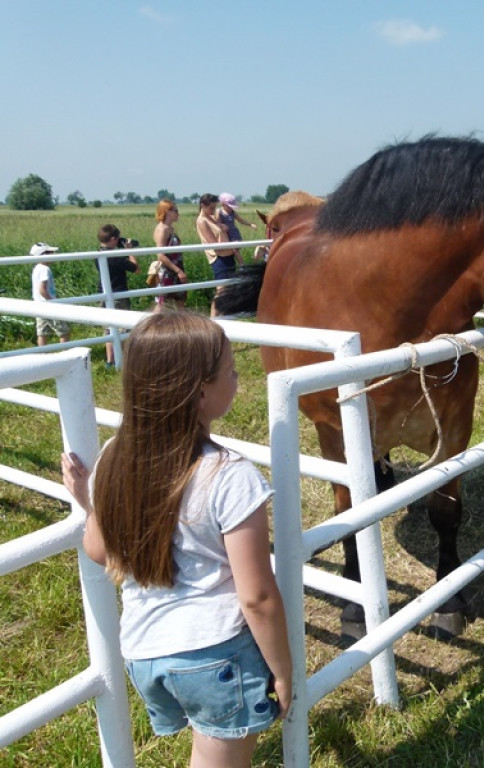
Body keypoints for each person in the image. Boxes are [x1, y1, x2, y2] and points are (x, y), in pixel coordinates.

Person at [61, 312, 292, 767]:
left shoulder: (114, 456)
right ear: (201, 391)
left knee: (207, 745)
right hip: (215, 651)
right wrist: (283, 670)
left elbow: (100, 550)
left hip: (146, 653)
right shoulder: (231, 477)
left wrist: (91, 505)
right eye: (230, 370)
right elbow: (258, 597)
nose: (237, 376)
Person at [96, 224, 139, 366]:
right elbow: (136, 269)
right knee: (122, 328)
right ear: (114, 239)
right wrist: (129, 251)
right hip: (118, 294)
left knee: (109, 330)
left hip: (104, 293)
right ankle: (122, 360)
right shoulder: (115, 257)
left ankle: (110, 360)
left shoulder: (98, 254)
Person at [197, 193, 232, 316]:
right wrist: (232, 248)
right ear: (203, 206)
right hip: (218, 258)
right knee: (221, 290)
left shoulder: (212, 218)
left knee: (227, 291)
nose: (213, 210)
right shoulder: (202, 221)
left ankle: (223, 318)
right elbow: (213, 244)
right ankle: (214, 319)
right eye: (211, 208)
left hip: (227, 255)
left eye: (214, 207)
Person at [30, 242, 71, 346]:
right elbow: (42, 289)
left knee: (42, 332)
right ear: (42, 255)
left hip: (38, 305)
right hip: (47, 304)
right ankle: (65, 354)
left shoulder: (37, 268)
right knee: (63, 331)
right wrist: (51, 301)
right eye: (50, 253)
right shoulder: (45, 269)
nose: (53, 255)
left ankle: (42, 354)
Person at [153, 199, 188, 311]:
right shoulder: (162, 229)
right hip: (168, 271)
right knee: (162, 303)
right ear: (167, 212)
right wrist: (178, 271)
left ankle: (179, 326)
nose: (178, 214)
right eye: (176, 211)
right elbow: (161, 255)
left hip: (176, 268)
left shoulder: (170, 228)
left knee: (180, 300)